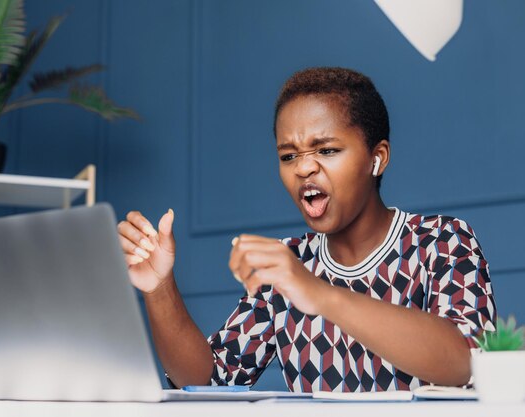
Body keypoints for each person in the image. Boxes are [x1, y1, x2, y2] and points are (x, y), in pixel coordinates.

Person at [117, 67, 496, 392]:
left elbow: (465, 362)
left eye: (327, 150)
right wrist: (159, 288)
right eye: (288, 156)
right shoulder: (289, 264)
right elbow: (208, 380)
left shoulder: (442, 242)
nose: (303, 169)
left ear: (376, 158)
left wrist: (318, 293)